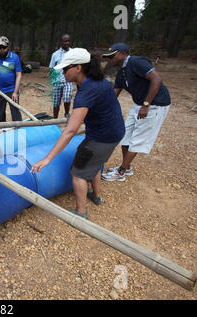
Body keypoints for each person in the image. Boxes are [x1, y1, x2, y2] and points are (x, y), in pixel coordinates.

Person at [31, 48, 125, 219]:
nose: (63, 72)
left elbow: (71, 131)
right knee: (95, 162)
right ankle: (95, 196)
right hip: (115, 132)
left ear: (78, 68)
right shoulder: (99, 82)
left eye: (66, 69)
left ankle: (80, 212)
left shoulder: (87, 91)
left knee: (78, 172)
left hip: (101, 138)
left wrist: (47, 158)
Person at [101, 43, 171, 182]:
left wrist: (146, 105)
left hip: (154, 104)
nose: (110, 59)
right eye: (108, 57)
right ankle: (127, 167)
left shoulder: (136, 62)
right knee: (125, 134)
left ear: (122, 53)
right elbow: (114, 94)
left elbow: (157, 79)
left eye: (112, 56)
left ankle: (121, 172)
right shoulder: (122, 71)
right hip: (140, 104)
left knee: (138, 139)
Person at [48, 34, 74, 119]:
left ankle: (66, 113)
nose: (67, 43)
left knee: (67, 97)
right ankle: (55, 119)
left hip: (68, 80)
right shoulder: (55, 54)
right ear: (61, 42)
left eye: (68, 41)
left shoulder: (73, 53)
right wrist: (54, 80)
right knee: (56, 102)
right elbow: (51, 68)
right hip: (57, 81)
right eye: (65, 41)